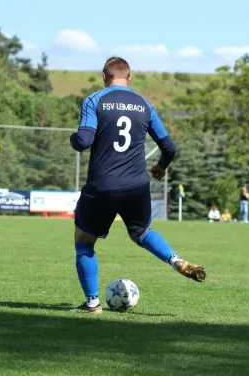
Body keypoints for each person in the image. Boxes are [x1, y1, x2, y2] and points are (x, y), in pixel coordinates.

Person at [69, 56, 206, 314]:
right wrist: (161, 166)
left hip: (102, 186)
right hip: (136, 186)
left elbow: (85, 140)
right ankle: (175, 260)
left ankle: (92, 303)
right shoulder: (144, 104)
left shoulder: (94, 100)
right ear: (129, 77)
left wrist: (74, 139)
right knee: (142, 232)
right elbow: (169, 147)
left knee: (84, 243)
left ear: (104, 76)